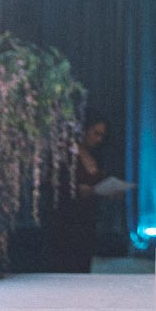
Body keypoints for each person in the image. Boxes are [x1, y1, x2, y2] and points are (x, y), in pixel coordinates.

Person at [47, 115, 112, 272]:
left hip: (87, 221)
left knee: (83, 263)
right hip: (67, 220)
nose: (99, 139)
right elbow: (53, 183)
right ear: (84, 131)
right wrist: (77, 190)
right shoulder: (66, 154)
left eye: (102, 135)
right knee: (67, 264)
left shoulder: (94, 155)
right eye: (96, 133)